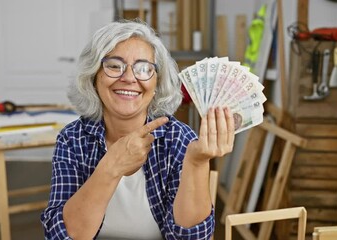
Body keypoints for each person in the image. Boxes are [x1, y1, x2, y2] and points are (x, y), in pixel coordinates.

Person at [40, 19, 235, 240]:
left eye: (144, 68)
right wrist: (112, 166)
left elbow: (191, 238)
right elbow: (59, 236)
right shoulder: (72, 139)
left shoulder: (179, 139)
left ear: (156, 84)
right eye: (114, 65)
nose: (129, 78)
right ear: (94, 77)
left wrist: (196, 162)